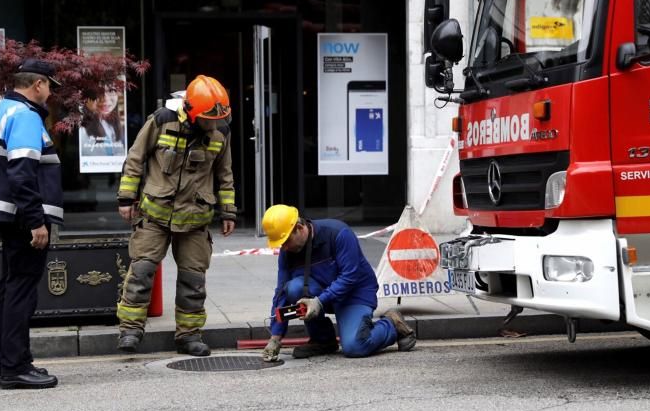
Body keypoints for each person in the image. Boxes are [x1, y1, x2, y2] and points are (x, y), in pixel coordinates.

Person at [114, 75, 236, 355]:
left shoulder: (221, 133)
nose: (213, 124)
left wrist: (228, 211)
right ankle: (130, 331)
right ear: (191, 111)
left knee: (194, 280)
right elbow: (135, 158)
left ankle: (189, 336)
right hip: (155, 215)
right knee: (141, 272)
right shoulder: (161, 120)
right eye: (207, 118)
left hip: (196, 218)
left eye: (218, 118)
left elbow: (225, 175)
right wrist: (126, 197)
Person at [0, 58, 63, 390]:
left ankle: (5, 365)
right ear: (38, 84)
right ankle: (15, 367)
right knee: (21, 292)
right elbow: (23, 173)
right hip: (21, 217)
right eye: (50, 86)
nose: (51, 94)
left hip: (7, 216)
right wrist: (36, 221)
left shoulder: (2, 110)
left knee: (11, 290)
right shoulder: (25, 117)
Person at [260, 205, 416, 362]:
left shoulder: (338, 233)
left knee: (355, 346)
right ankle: (323, 341)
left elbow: (349, 277)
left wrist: (319, 302)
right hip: (322, 295)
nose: (284, 247)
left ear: (299, 228)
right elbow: (281, 292)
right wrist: (276, 336)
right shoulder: (288, 253)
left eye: (286, 241)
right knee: (294, 288)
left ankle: (391, 325)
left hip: (354, 293)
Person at [79, 90, 125, 156]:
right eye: (98, 91)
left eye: (111, 90)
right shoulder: (81, 128)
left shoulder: (112, 124)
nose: (105, 99)